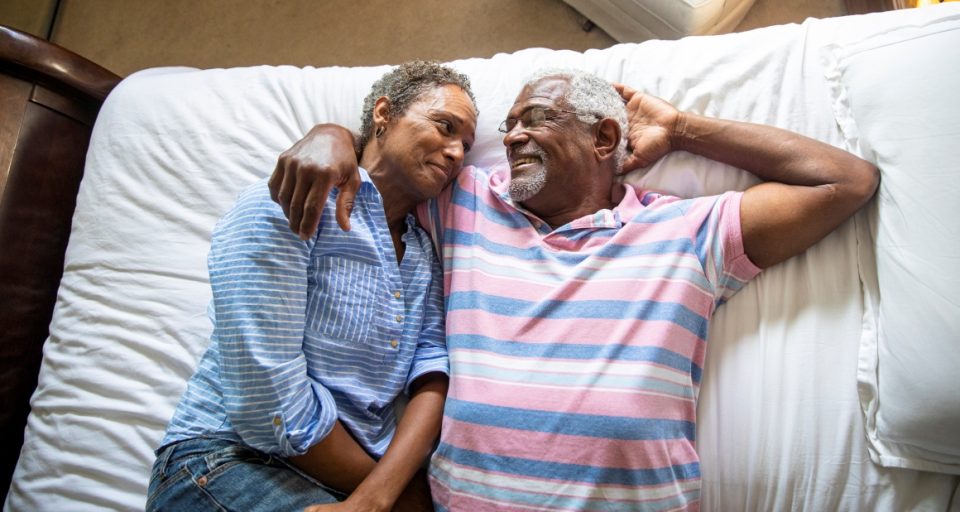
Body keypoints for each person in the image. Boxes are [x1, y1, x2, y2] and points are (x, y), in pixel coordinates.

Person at [269, 68, 880, 511]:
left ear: (604, 141)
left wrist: (685, 129)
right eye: (507, 127)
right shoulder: (468, 203)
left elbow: (846, 182)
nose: (508, 139)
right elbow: (399, 152)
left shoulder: (685, 227)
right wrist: (332, 135)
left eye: (534, 119)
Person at [146, 60, 479, 512]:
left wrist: (381, 493)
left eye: (466, 144)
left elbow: (432, 375)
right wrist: (392, 495)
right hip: (226, 460)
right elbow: (268, 401)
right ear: (384, 114)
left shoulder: (424, 256)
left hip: (351, 485)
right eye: (445, 127)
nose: (457, 152)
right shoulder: (288, 204)